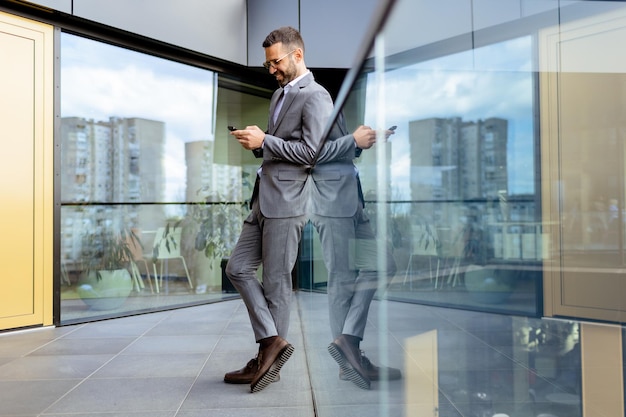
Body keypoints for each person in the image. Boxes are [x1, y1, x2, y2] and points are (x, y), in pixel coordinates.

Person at [223, 26, 336, 393]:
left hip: (288, 203)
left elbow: (313, 154)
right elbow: (280, 148)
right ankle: (271, 343)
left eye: (276, 62)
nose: (271, 69)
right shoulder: (278, 97)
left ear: (297, 55)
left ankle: (266, 360)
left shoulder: (316, 96)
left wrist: (265, 140)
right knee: (237, 268)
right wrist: (256, 144)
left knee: (275, 283)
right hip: (263, 197)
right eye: (267, 63)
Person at [312, 116, 401, 390]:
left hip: (353, 203)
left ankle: (348, 339)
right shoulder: (310, 100)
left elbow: (332, 149)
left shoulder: (331, 106)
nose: (273, 69)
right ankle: (349, 362)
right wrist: (353, 140)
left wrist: (364, 141)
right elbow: (308, 154)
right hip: (330, 203)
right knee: (342, 279)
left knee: (383, 264)